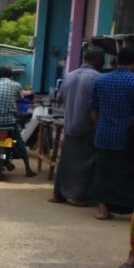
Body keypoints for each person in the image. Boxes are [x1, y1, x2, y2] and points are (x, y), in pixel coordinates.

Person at [49, 47, 104, 206]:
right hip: (88, 127)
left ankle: (57, 194)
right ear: (97, 60)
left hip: (69, 125)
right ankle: (77, 196)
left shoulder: (69, 75)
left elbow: (58, 100)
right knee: (86, 164)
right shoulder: (98, 78)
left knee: (65, 161)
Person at [90, 46, 134, 225]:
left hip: (103, 134)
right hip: (128, 137)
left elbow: (93, 111)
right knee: (127, 172)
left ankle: (102, 210)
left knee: (102, 172)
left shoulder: (101, 80)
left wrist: (100, 126)